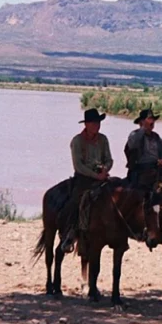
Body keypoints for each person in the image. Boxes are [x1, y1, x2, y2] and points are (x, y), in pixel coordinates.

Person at [59, 108, 113, 253]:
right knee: (75, 201)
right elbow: (78, 166)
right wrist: (96, 176)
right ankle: (70, 234)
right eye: (94, 123)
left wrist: (105, 169)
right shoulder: (77, 141)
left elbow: (109, 159)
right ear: (87, 124)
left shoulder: (103, 139)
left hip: (101, 176)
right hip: (83, 178)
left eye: (98, 123)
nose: (97, 126)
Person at [124, 108, 162, 189]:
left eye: (153, 119)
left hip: (157, 171)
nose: (152, 122)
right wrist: (143, 128)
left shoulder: (156, 137)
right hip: (140, 172)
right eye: (149, 119)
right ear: (142, 122)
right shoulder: (134, 135)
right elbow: (133, 145)